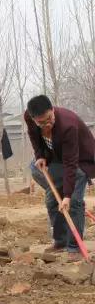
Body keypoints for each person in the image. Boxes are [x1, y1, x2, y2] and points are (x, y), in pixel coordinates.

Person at [25, 95, 95, 261]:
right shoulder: (29, 117)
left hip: (80, 161)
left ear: (52, 110)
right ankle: (61, 241)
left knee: (75, 203)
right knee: (51, 199)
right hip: (56, 158)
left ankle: (74, 247)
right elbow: (34, 136)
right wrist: (40, 155)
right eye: (41, 122)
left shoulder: (68, 126)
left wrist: (68, 196)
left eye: (49, 118)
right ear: (33, 118)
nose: (46, 124)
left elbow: (71, 164)